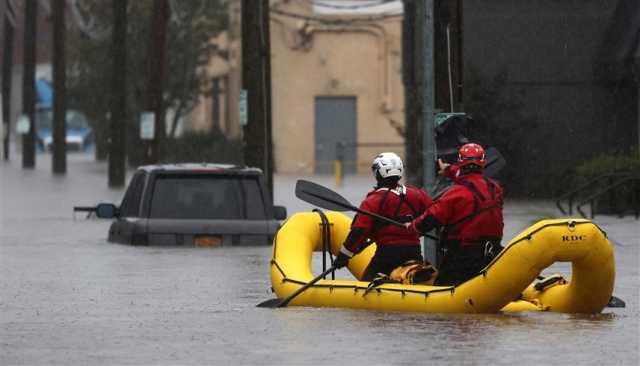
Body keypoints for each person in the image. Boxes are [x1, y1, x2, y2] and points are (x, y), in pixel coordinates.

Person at [407, 143, 504, 286]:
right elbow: (469, 178)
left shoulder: (455, 193)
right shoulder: (495, 189)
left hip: (463, 256)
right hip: (493, 253)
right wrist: (448, 170)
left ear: (460, 162)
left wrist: (412, 227)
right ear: (483, 163)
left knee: (442, 285)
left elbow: (431, 217)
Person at [333, 152, 434, 282]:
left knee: (366, 284)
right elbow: (432, 217)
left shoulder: (373, 200)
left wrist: (343, 256)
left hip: (387, 254)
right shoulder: (417, 194)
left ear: (378, 173)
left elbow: (359, 231)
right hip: (414, 252)